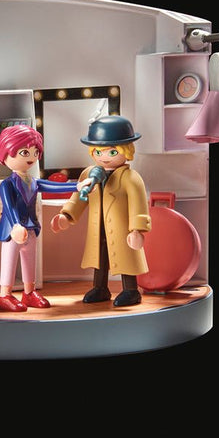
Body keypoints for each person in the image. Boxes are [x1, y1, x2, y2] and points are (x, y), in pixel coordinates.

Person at [51, 115, 151, 306]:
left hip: (122, 230)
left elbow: (139, 206)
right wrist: (66, 215)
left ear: (126, 151)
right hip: (99, 229)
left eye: (112, 152)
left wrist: (137, 229)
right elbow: (78, 199)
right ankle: (100, 288)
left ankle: (131, 290)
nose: (104, 157)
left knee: (126, 258)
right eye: (98, 152)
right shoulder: (89, 174)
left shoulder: (131, 178)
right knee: (100, 258)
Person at [0, 125, 84, 312]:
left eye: (35, 152)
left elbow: (53, 186)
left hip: (31, 228)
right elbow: (9, 207)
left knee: (30, 262)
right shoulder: (7, 184)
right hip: (13, 231)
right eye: (24, 152)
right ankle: (4, 295)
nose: (31, 157)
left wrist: (78, 186)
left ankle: (29, 292)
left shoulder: (33, 181)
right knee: (9, 262)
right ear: (6, 153)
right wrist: (16, 225)